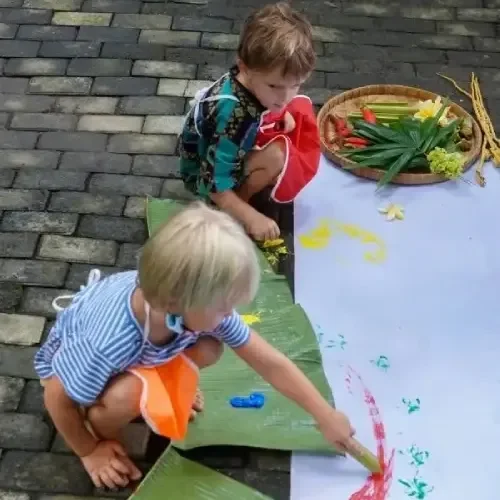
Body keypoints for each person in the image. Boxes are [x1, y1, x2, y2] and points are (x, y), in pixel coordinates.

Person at [35, 202, 354, 490]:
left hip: (141, 353)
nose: (229, 314)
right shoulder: (107, 342)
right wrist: (90, 451)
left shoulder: (191, 308)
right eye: (224, 306)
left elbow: (269, 361)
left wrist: (324, 415)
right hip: (80, 372)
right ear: (178, 303)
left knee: (210, 347)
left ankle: (160, 387)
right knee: (127, 396)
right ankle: (105, 428)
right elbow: (55, 397)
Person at [179, 2, 321, 242]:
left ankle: (244, 196)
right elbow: (213, 183)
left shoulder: (250, 80)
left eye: (295, 85)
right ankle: (229, 215)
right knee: (278, 156)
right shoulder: (235, 116)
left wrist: (280, 110)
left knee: (294, 115)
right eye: (275, 86)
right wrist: (252, 218)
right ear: (245, 66)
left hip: (228, 149)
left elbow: (271, 97)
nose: (285, 97)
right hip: (204, 176)